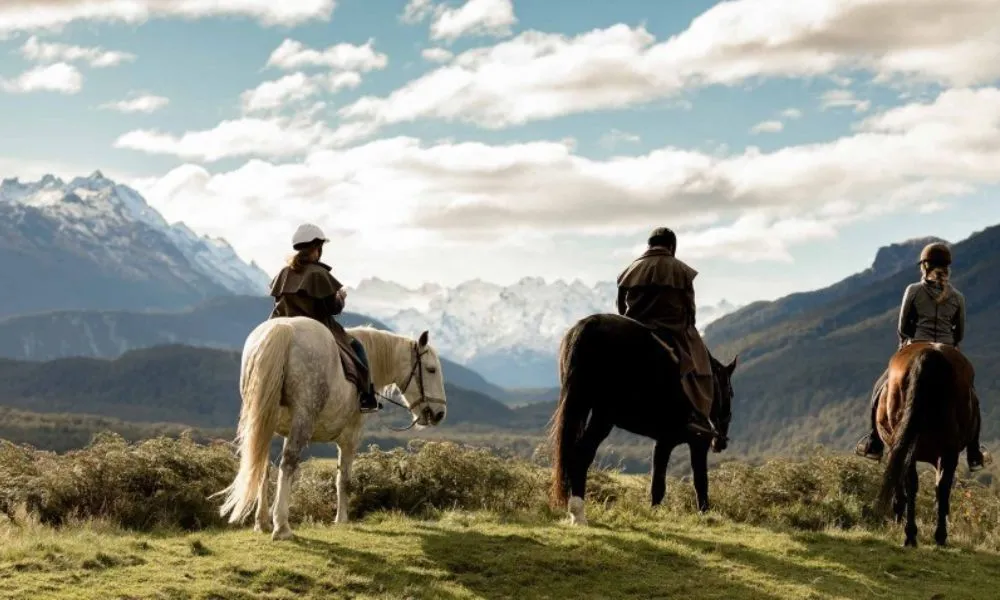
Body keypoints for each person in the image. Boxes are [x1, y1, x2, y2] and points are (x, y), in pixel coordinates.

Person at [856, 242, 988, 470]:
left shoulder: (914, 290)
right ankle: (974, 452)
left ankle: (874, 442)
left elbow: (903, 326)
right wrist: (950, 345)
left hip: (915, 343)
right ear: (947, 268)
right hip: (948, 346)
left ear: (924, 266)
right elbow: (960, 331)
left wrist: (905, 345)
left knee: (881, 387)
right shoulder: (957, 296)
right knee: (971, 397)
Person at [268, 223, 380, 413]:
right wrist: (340, 297)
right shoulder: (319, 274)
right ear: (316, 248)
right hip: (317, 326)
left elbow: (278, 301)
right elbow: (333, 309)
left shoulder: (283, 273)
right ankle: (367, 397)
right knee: (357, 348)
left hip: (280, 322)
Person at [616, 227, 717, 436]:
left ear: (649, 245)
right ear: (672, 246)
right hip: (669, 329)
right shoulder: (681, 270)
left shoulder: (631, 269)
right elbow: (690, 308)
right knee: (698, 365)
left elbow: (620, 306)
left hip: (634, 327)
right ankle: (694, 414)